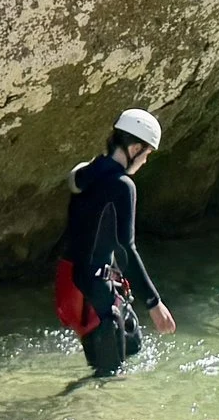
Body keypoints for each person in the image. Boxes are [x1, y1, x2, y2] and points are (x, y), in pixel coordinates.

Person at [53, 108, 176, 376]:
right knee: (107, 379)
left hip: (74, 283)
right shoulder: (122, 185)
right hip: (93, 292)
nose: (144, 162)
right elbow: (125, 248)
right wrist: (154, 303)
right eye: (146, 155)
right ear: (134, 148)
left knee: (132, 347)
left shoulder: (87, 174)